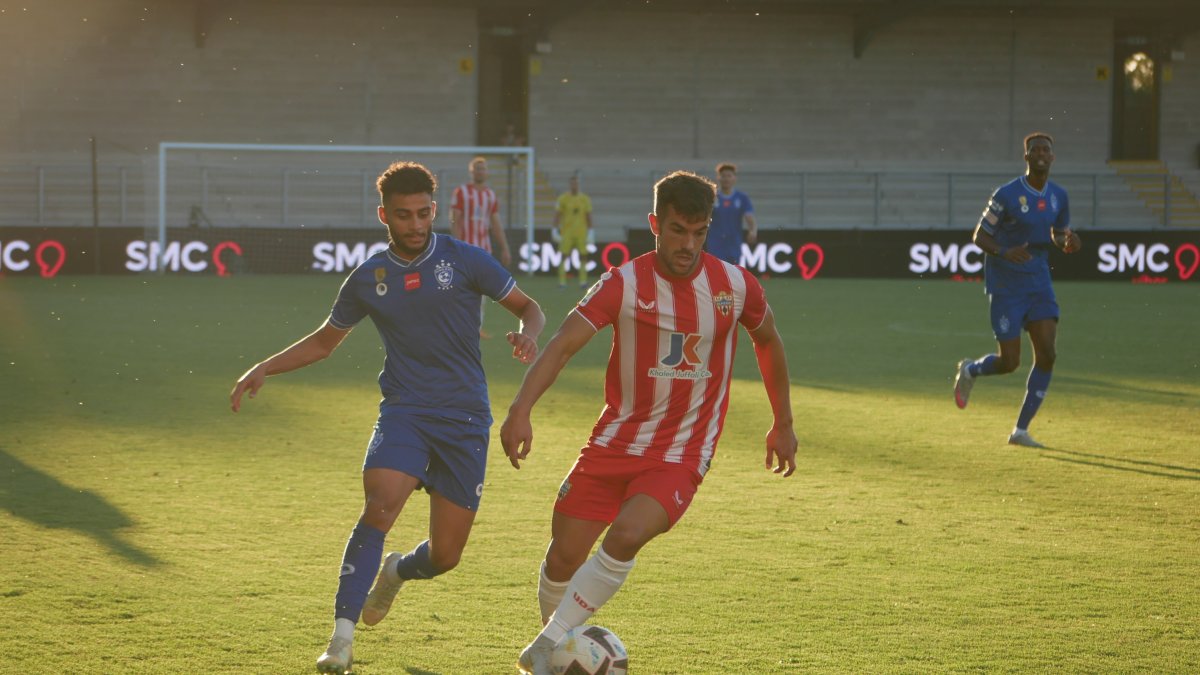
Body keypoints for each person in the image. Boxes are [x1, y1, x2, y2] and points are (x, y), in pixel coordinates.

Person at [229, 161, 545, 675]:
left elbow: (529, 307)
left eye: (423, 214)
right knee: (381, 504)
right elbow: (325, 341)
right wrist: (266, 365)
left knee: (445, 556)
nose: (415, 225)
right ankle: (341, 641)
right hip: (405, 410)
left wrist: (529, 334)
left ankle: (396, 571)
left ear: (434, 210)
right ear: (384, 215)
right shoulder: (368, 278)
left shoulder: (466, 260)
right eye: (403, 216)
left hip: (464, 419)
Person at [500, 170, 798, 675]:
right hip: (613, 442)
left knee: (627, 534)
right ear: (655, 224)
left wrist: (783, 422)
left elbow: (768, 340)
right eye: (678, 230)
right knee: (562, 558)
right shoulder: (624, 283)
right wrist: (520, 409)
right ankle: (558, 651)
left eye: (699, 232)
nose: (688, 244)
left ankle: (545, 645)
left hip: (683, 451)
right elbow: (564, 344)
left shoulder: (734, 286)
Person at [953, 132, 1082, 448]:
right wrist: (1003, 251)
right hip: (1007, 284)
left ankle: (1020, 431)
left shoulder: (1058, 197)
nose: (1040, 153)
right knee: (1010, 362)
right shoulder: (1007, 194)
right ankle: (971, 370)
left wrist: (1068, 242)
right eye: (1034, 149)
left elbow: (1057, 233)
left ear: (1052, 158)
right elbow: (979, 236)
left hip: (1038, 281)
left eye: (1046, 149)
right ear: (1026, 157)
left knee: (1048, 354)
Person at [452, 156, 513, 338]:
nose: (480, 171)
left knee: (481, 291)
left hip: (484, 251)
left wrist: (505, 247)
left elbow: (495, 224)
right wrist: (457, 244)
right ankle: (456, 325)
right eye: (477, 168)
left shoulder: (490, 195)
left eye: (483, 168)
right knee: (459, 288)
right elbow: (455, 219)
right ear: (472, 172)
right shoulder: (461, 192)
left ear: (487, 172)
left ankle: (475, 328)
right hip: (464, 249)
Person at [706, 162, 758, 265]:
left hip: (734, 242)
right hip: (715, 242)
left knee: (734, 273)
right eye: (723, 176)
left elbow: (749, 217)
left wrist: (753, 231)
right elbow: (705, 217)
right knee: (715, 271)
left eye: (729, 176)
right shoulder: (712, 197)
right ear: (718, 178)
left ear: (734, 178)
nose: (726, 179)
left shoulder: (742, 198)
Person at [552, 173, 594, 289]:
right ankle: (562, 282)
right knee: (563, 256)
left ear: (578, 184)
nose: (574, 185)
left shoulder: (584, 199)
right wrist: (555, 229)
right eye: (572, 183)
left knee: (583, 256)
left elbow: (588, 215)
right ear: (570, 185)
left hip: (581, 232)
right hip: (567, 232)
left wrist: (591, 231)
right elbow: (557, 214)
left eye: (576, 183)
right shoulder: (563, 198)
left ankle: (583, 281)